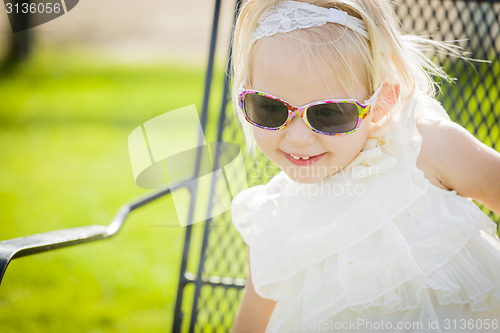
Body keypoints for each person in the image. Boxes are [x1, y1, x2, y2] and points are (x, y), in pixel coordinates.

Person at [229, 0, 500, 332]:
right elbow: (250, 326)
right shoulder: (275, 217)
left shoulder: (423, 150)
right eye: (269, 108)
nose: (297, 138)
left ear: (381, 103)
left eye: (328, 114)